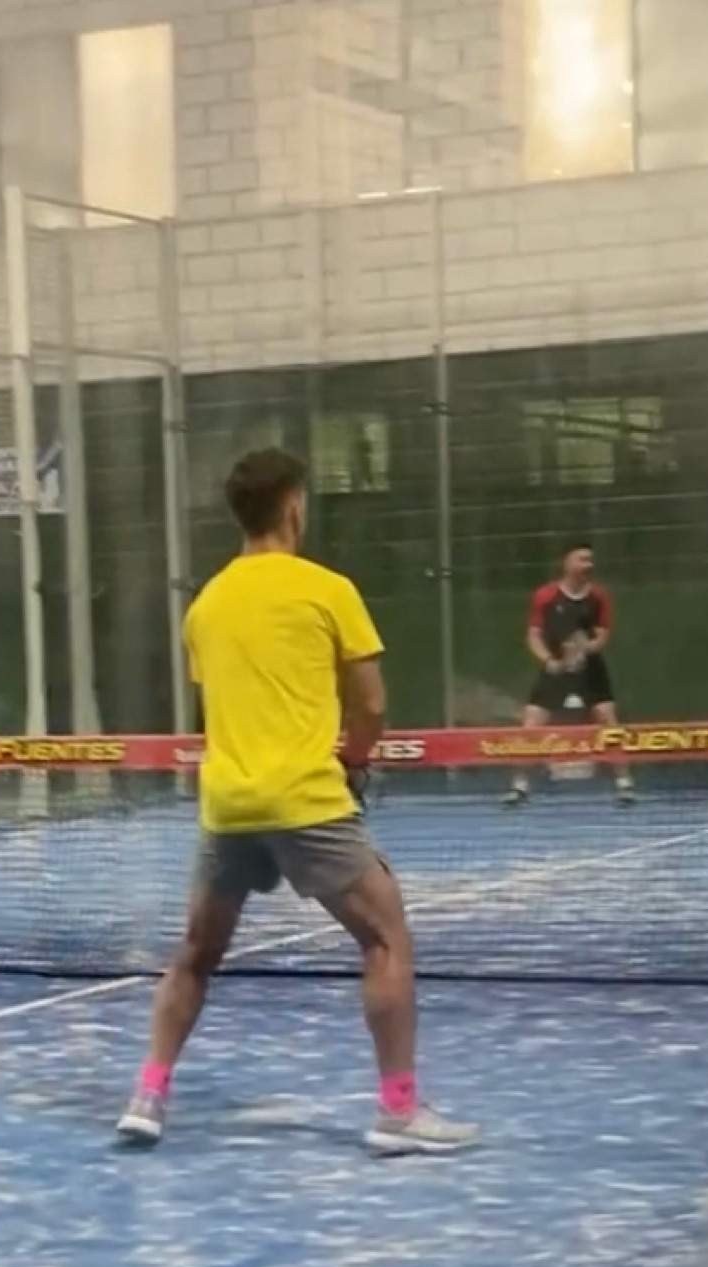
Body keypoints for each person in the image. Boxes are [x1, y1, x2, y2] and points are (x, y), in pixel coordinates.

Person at [117, 448, 475, 1157]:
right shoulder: (328, 590)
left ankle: (147, 1096)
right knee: (385, 937)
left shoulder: (205, 606)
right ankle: (399, 1111)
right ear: (292, 507)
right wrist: (355, 760)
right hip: (308, 800)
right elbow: (372, 705)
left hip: (227, 805)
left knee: (195, 954)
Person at [503, 542, 635, 807]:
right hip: (555, 669)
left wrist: (584, 651)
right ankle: (519, 786)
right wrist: (549, 660)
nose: (588, 565)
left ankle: (625, 784)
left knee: (609, 721)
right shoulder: (545, 596)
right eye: (582, 559)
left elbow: (602, 636)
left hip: (591, 670)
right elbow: (533, 635)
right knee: (531, 725)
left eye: (590, 560)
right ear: (567, 563)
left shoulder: (598, 596)